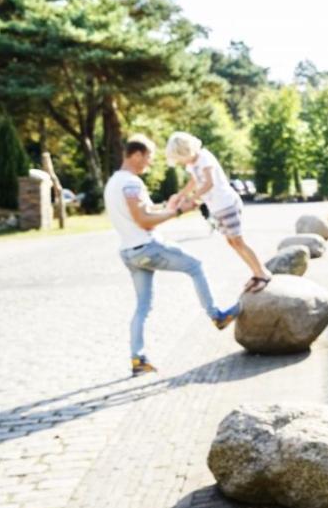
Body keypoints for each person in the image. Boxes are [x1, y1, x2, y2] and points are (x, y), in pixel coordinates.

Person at [104, 135, 239, 377]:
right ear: (136, 155)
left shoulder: (114, 182)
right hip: (147, 248)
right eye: (148, 158)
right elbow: (143, 221)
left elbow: (141, 212)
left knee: (143, 306)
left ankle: (138, 358)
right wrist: (177, 212)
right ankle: (217, 315)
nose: (150, 163)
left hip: (128, 252)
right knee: (195, 266)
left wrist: (165, 206)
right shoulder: (131, 184)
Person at [164, 132, 271, 293]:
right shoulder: (192, 163)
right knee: (232, 242)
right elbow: (194, 181)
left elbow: (209, 183)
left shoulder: (204, 157)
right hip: (217, 207)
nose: (180, 162)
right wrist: (180, 195)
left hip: (227, 204)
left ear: (185, 151)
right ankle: (256, 273)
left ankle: (262, 274)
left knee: (238, 241)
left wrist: (191, 200)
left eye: (180, 158)